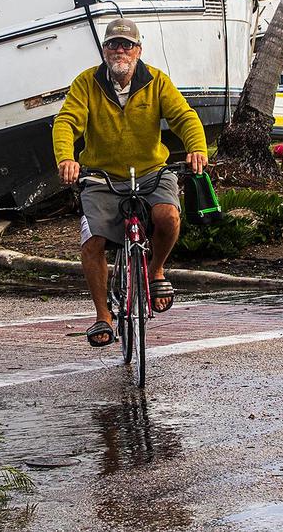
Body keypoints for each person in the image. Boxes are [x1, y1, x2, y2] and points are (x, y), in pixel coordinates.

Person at [52, 18, 208, 348]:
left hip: (152, 170)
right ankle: (102, 316)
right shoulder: (87, 83)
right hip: (101, 177)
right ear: (104, 49)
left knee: (167, 216)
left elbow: (184, 116)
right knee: (92, 243)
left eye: (127, 45)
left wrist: (197, 148)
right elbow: (67, 122)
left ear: (138, 50)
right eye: (113, 44)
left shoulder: (156, 81)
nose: (120, 50)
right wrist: (67, 157)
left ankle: (155, 271)